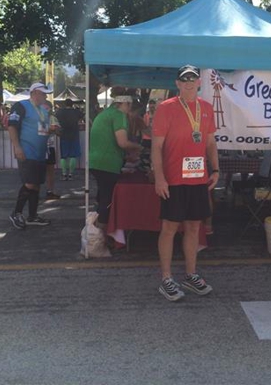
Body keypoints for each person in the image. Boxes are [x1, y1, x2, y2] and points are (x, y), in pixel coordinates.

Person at [152, 65, 219, 302]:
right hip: (173, 180)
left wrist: (216, 168)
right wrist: (159, 177)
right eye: (184, 79)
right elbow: (156, 146)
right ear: (178, 84)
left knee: (193, 227)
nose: (189, 83)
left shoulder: (207, 109)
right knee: (169, 228)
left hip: (198, 179)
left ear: (199, 82)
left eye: (193, 79)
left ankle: (190, 274)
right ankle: (167, 278)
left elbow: (210, 143)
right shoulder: (165, 108)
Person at [89, 95, 143, 235]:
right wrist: (138, 147)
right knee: (107, 200)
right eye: (131, 108)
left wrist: (125, 156)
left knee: (102, 198)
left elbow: (109, 141)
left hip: (97, 161)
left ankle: (97, 231)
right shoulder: (119, 115)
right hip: (108, 163)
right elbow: (123, 142)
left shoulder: (105, 113)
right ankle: (102, 235)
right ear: (126, 104)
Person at [8, 82, 53, 229]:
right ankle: (16, 212)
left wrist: (53, 130)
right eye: (43, 93)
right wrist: (17, 146)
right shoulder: (21, 106)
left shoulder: (43, 110)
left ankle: (32, 215)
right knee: (30, 183)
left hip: (40, 153)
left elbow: (43, 129)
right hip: (27, 151)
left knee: (37, 184)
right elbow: (12, 126)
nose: (45, 96)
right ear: (34, 92)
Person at [55, 98, 83, 181]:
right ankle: (71, 174)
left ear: (64, 104)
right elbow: (81, 119)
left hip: (63, 134)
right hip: (74, 134)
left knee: (64, 156)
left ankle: (64, 174)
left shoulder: (59, 112)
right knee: (73, 155)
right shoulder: (76, 112)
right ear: (72, 104)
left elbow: (56, 121)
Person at [43, 100, 61, 199]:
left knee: (50, 171)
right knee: (38, 170)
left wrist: (55, 129)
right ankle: (33, 191)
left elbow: (59, 132)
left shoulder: (53, 118)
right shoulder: (35, 117)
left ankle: (50, 191)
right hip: (38, 147)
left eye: (47, 108)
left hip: (49, 147)